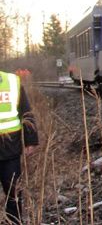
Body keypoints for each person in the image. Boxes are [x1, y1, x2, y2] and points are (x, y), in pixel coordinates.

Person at [0, 70, 37, 223]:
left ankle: (14, 221)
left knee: (13, 194)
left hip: (10, 149)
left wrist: (31, 140)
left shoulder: (12, 82)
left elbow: (26, 112)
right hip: (10, 148)